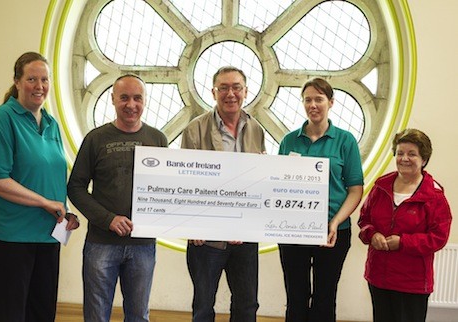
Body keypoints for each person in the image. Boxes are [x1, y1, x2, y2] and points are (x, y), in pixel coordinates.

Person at [0, 51, 80, 322]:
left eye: (45, 79)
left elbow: (52, 174)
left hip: (47, 236)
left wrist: (64, 212)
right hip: (10, 237)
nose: (39, 86)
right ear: (17, 81)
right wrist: (44, 203)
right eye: (32, 79)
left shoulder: (51, 123)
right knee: (8, 315)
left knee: (42, 313)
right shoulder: (2, 119)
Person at [67, 74, 168, 322]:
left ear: (145, 101)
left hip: (143, 245)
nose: (130, 104)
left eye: (137, 98)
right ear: (113, 99)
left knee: (138, 315)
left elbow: (167, 189)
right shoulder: (96, 139)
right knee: (96, 315)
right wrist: (108, 219)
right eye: (124, 98)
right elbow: (76, 188)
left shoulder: (158, 140)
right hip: (101, 243)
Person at [181, 66, 265, 322]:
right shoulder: (194, 130)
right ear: (213, 92)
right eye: (224, 88)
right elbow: (185, 183)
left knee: (247, 306)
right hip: (207, 239)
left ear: (246, 91)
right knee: (204, 307)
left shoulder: (256, 129)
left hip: (245, 238)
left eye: (236, 87)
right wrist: (193, 225)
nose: (231, 94)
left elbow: (258, 182)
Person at [278, 77, 364, 322]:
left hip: (333, 232)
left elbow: (355, 189)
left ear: (331, 103)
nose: (313, 105)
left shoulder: (346, 141)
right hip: (293, 231)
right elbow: (280, 186)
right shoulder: (289, 141)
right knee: (296, 297)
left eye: (319, 99)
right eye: (308, 100)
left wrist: (335, 222)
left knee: (325, 298)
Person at [358, 128, 452, 322]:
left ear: (424, 159)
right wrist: (372, 234)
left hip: (412, 283)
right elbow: (364, 220)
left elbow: (438, 238)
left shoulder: (434, 196)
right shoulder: (380, 187)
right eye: (400, 153)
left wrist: (403, 242)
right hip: (379, 278)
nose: (404, 158)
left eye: (412, 154)